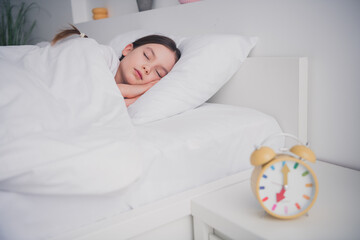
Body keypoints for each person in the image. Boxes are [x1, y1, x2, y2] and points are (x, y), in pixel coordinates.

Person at [51, 25, 181, 106]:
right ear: (128, 49)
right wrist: (139, 89)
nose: (147, 68)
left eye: (158, 73)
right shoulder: (104, 55)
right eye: (147, 56)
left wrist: (136, 97)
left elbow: (93, 105)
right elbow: (86, 92)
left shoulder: (131, 100)